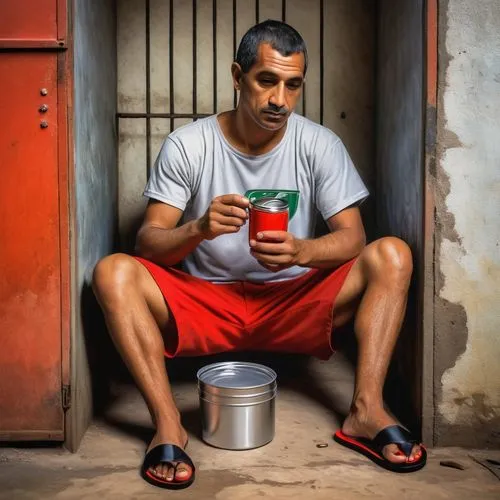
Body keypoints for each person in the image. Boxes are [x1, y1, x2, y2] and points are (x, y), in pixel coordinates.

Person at [92, 20, 426, 490]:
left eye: (293, 85)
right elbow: (148, 243)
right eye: (266, 80)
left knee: (393, 254)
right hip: (206, 304)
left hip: (292, 302)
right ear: (237, 75)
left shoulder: (319, 143)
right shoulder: (189, 145)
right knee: (112, 273)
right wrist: (199, 228)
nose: (279, 100)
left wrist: (302, 251)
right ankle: (168, 423)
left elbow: (353, 238)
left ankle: (366, 410)